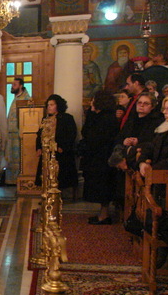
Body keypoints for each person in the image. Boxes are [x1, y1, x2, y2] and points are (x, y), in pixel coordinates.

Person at [81, 90, 120, 224]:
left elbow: (95, 137)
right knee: (99, 187)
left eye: (93, 100)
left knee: (103, 188)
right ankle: (102, 214)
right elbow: (86, 131)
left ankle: (104, 216)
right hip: (97, 157)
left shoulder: (107, 118)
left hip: (102, 158)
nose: (91, 102)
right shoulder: (99, 116)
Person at [35, 95, 79, 192]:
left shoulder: (67, 118)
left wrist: (63, 147)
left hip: (60, 152)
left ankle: (57, 194)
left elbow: (71, 134)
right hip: (46, 152)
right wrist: (38, 148)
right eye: (48, 105)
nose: (49, 107)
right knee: (45, 175)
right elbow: (39, 135)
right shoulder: (45, 119)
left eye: (52, 105)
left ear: (58, 105)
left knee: (60, 176)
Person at [5, 78, 31, 184]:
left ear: (21, 86)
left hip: (20, 134)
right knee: (11, 157)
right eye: (12, 84)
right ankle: (12, 180)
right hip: (11, 134)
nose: (12, 86)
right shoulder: (16, 98)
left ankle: (19, 180)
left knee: (19, 157)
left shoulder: (26, 99)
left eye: (15, 84)